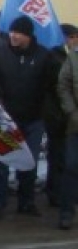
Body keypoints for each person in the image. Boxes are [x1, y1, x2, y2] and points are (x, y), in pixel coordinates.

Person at [0, 16, 57, 219]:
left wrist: (45, 110)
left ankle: (26, 202)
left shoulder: (44, 56)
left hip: (34, 119)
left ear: (28, 35)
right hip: (5, 118)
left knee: (29, 162)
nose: (13, 36)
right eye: (12, 32)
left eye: (18, 33)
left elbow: (52, 86)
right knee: (2, 162)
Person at [56, 36, 78, 230]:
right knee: (71, 167)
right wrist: (73, 113)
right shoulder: (73, 57)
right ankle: (67, 212)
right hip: (76, 124)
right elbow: (63, 86)